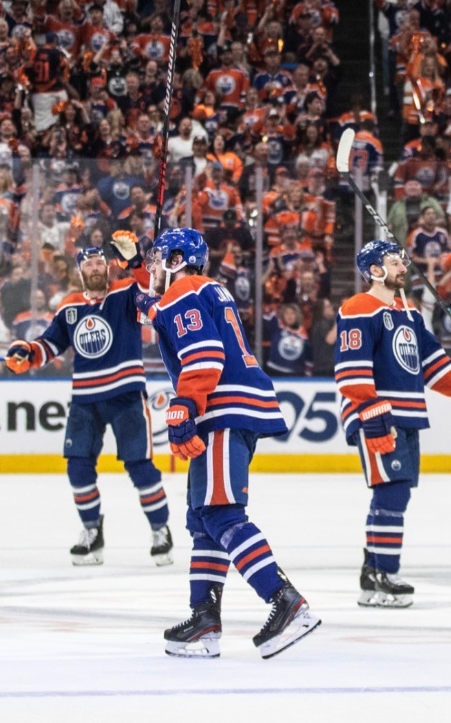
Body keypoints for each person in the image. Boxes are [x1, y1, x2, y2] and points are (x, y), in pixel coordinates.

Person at [148, 228, 316, 660]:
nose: (150, 267)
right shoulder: (201, 289)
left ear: (176, 260)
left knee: (221, 512)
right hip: (230, 407)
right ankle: (204, 619)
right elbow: (160, 314)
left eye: (157, 259)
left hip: (220, 408)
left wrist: (185, 405)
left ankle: (285, 601)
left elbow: (203, 354)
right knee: (203, 517)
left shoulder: (183, 290)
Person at [335, 239, 451, 608]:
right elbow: (350, 370)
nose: (403, 267)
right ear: (375, 270)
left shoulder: (409, 312)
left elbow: (434, 366)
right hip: (377, 416)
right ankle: (386, 574)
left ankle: (374, 573)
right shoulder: (359, 308)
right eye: (394, 262)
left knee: (396, 493)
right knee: (391, 493)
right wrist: (370, 411)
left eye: (402, 261)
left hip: (406, 416)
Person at [3, 235, 174, 567]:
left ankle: (160, 529)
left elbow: (156, 294)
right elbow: (49, 344)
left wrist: (135, 260)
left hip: (125, 393)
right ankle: (91, 530)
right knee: (78, 466)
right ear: (80, 271)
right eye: (88, 264)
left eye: (99, 263)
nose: (95, 268)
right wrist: (25, 353)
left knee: (139, 465)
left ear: (107, 267)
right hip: (85, 397)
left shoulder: (125, 293)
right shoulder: (70, 305)